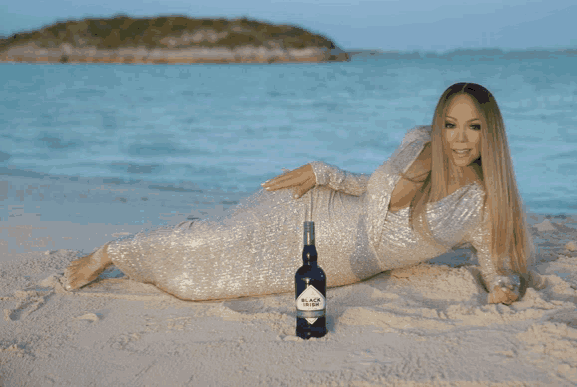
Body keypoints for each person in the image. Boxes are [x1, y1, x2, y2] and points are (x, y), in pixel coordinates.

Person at [64, 82, 534, 305]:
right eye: (451, 124)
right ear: (438, 121)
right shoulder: (419, 142)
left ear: (490, 133)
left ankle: (135, 250)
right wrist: (323, 172)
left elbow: (499, 265)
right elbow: (375, 195)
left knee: (201, 287)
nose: (459, 138)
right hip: (318, 212)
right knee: (207, 243)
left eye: (473, 127)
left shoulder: (484, 204)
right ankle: (112, 250)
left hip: (341, 263)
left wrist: (504, 288)